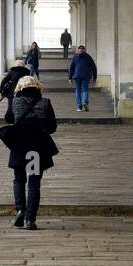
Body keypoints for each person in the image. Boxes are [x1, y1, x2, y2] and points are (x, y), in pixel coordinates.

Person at [6, 75, 58, 229]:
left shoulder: (15, 101)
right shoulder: (45, 103)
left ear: (20, 88)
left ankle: (20, 209)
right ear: (37, 87)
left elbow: (8, 118)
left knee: (19, 179)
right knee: (34, 183)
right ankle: (30, 220)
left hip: (19, 147)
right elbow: (52, 127)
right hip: (36, 148)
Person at [68, 44, 97, 111]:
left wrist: (70, 77)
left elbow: (71, 68)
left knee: (78, 90)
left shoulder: (75, 57)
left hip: (77, 76)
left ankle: (79, 107)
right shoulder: (88, 57)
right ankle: (85, 102)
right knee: (85, 90)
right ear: (85, 50)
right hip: (86, 76)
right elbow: (94, 67)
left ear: (78, 50)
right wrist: (94, 77)